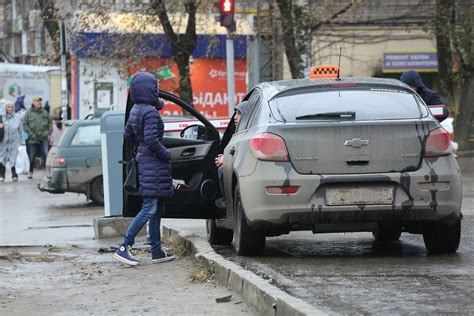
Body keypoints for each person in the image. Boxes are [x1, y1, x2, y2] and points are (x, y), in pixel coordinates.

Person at [114, 72, 175, 266]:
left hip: (145, 163)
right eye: (155, 86)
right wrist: (166, 153)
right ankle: (124, 246)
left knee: (156, 209)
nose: (157, 88)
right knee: (149, 208)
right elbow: (151, 140)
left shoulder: (136, 110)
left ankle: (156, 251)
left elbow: (127, 135)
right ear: (149, 89)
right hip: (153, 164)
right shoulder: (149, 112)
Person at [214, 100, 248, 209]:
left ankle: (228, 202)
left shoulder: (247, 131)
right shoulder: (239, 130)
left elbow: (243, 153)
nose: (235, 117)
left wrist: (226, 159)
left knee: (222, 170)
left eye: (238, 113)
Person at [23, 96, 52, 179]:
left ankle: (47, 172)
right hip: (32, 138)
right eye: (37, 101)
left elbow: (50, 123)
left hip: (43, 138)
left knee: (46, 154)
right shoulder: (29, 113)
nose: (39, 102)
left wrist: (48, 132)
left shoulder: (45, 112)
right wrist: (30, 133)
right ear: (33, 103)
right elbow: (25, 124)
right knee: (31, 156)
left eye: (40, 101)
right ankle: (30, 171)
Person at [0, 102, 23, 182]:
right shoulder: (1, 118)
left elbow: (21, 131)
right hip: (3, 142)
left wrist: (22, 142)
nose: (10, 108)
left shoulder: (17, 118)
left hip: (14, 142)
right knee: (2, 158)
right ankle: (2, 174)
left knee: (14, 158)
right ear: (5, 108)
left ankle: (14, 174)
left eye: (11, 107)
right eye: (8, 107)